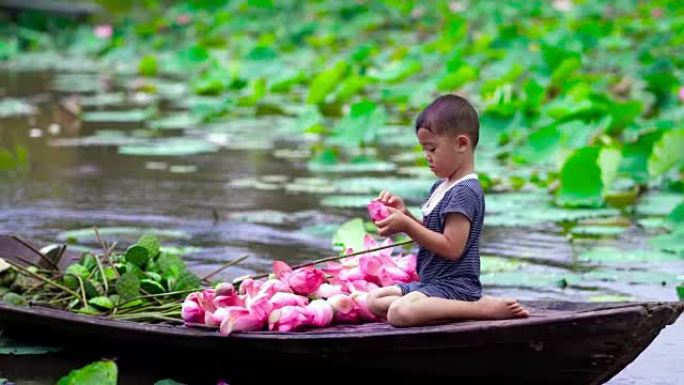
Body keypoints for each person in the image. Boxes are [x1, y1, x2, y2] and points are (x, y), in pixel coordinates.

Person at [366, 94, 529, 327]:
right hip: (432, 282)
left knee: (398, 313)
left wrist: (407, 226)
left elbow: (452, 248)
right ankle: (438, 306)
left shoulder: (464, 191)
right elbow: (432, 234)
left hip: (454, 286)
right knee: (374, 299)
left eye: (432, 148)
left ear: (461, 144)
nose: (427, 157)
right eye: (424, 149)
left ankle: (479, 308)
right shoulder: (441, 186)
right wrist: (405, 215)